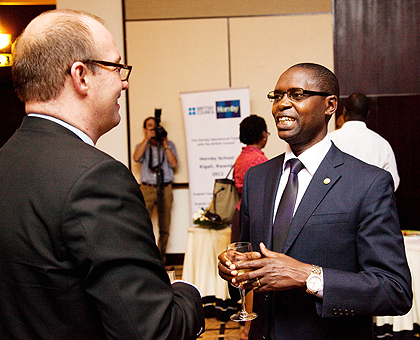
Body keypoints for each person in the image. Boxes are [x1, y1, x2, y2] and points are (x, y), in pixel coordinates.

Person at [0, 9, 204, 340]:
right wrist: (187, 290)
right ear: (81, 76)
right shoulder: (97, 179)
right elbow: (153, 331)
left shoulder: (7, 161)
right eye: (116, 67)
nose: (124, 81)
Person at [218, 62, 412, 340]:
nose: (282, 104)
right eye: (277, 96)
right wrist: (232, 269)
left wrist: (307, 275)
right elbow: (250, 263)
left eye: (297, 95)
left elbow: (395, 291)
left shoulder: (368, 183)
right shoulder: (256, 179)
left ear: (330, 105)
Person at [231, 114, 269, 340]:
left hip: (239, 214)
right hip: (253, 216)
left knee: (245, 270)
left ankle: (245, 323)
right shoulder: (259, 160)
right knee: (253, 271)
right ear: (262, 135)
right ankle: (249, 328)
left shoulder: (242, 156)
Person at [329, 92, 400, 190]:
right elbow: (392, 183)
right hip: (371, 203)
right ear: (368, 113)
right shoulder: (382, 144)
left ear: (344, 111)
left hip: (334, 203)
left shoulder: (329, 140)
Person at [133, 116, 178, 263]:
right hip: (147, 188)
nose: (153, 129)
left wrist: (165, 145)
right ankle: (145, 258)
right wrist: (147, 139)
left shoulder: (169, 144)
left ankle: (161, 259)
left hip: (165, 187)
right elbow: (136, 157)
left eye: (155, 126)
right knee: (142, 223)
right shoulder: (142, 145)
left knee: (165, 226)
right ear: (145, 129)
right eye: (149, 127)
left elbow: (174, 163)